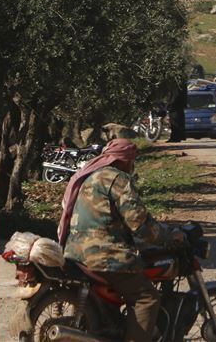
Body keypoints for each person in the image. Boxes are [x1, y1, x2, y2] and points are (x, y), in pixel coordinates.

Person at [58, 138, 182, 342]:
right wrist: (168, 237)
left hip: (75, 251)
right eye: (132, 161)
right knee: (146, 297)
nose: (132, 166)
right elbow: (139, 223)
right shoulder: (117, 178)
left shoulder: (91, 176)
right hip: (102, 255)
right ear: (125, 161)